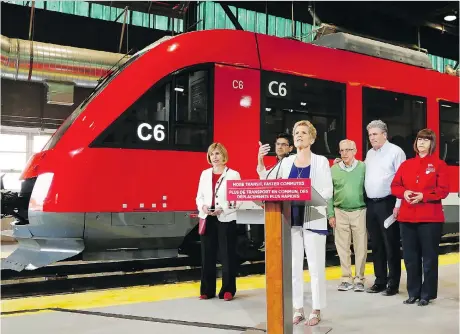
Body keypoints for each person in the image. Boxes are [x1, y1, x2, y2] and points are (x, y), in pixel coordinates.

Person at [259, 120, 332, 326]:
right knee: (294, 267)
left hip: (313, 217)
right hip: (290, 219)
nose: (299, 135)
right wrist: (260, 161)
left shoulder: (321, 162)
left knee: (316, 266)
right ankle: (298, 308)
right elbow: (268, 182)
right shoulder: (286, 162)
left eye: (303, 132)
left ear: (312, 137)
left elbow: (327, 191)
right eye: (296, 132)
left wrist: (305, 193)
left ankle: (316, 309)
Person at [391, 129, 449, 306]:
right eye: (419, 139)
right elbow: (395, 186)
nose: (422, 142)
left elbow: (444, 190)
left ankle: (427, 294)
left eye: (426, 140)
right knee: (410, 257)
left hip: (430, 219)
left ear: (432, 144)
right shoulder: (406, 165)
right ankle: (413, 292)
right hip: (407, 218)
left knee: (429, 258)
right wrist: (405, 192)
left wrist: (424, 196)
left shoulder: (439, 165)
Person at [364, 120, 406, 296]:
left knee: (391, 244)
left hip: (388, 203)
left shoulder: (396, 152)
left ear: (384, 134)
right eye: (370, 134)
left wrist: (398, 205)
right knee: (376, 245)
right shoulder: (370, 154)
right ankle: (380, 280)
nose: (371, 137)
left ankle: (393, 283)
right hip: (372, 204)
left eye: (375, 134)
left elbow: (402, 180)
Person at [196, 142, 241, 301]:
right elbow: (199, 196)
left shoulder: (233, 174)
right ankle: (207, 290)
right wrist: (203, 207)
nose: (214, 157)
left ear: (224, 156)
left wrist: (222, 208)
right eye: (212, 154)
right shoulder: (204, 174)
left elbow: (237, 198)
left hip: (226, 218)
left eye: (217, 154)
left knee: (227, 255)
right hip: (207, 218)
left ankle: (228, 290)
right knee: (207, 255)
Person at [327, 139, 367, 292]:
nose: (344, 153)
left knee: (361, 247)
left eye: (348, 150)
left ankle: (359, 279)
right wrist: (330, 214)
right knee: (342, 247)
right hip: (339, 211)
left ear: (355, 151)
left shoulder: (363, 167)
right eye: (341, 150)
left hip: (359, 210)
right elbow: (328, 194)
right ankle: (346, 278)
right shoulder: (334, 169)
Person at [255, 133, 294, 250]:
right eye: (277, 144)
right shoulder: (276, 165)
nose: (279, 147)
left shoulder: (292, 161)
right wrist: (260, 158)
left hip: (288, 210)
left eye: (283, 144)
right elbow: (264, 177)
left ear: (290, 148)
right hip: (275, 209)